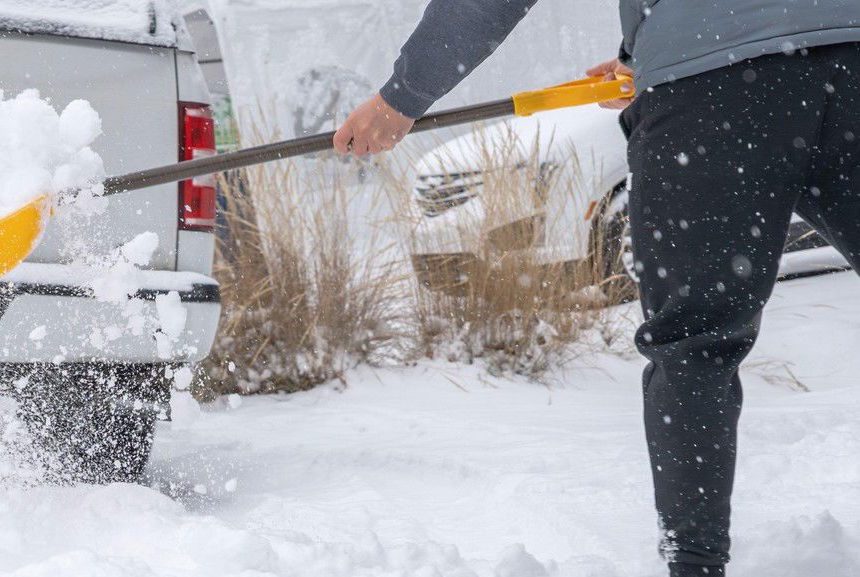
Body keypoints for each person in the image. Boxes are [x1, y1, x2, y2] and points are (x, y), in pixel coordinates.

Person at [334, 2, 860, 576]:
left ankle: (695, 566)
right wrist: (652, 50)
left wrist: (400, 97)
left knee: (694, 346)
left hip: (709, 92)